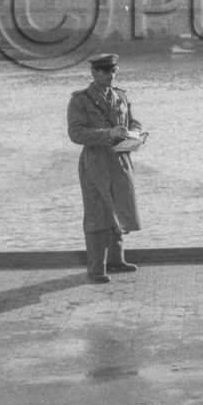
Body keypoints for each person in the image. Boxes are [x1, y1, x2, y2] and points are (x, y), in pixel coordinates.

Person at [67, 53, 146, 283]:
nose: (112, 76)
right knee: (97, 213)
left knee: (120, 208)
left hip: (120, 159)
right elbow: (76, 133)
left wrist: (135, 133)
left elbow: (133, 121)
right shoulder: (80, 100)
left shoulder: (121, 95)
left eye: (114, 72)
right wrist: (107, 133)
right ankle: (96, 269)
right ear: (95, 72)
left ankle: (116, 260)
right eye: (107, 72)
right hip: (95, 162)